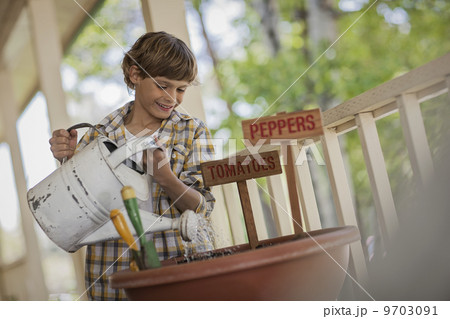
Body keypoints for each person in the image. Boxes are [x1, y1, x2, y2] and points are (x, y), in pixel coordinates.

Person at [49, 31, 216, 300]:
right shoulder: (98, 135)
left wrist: (166, 179)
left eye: (181, 89)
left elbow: (202, 208)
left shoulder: (192, 131)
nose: (172, 98)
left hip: (182, 270)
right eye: (163, 85)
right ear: (135, 74)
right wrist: (66, 160)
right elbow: (80, 205)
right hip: (114, 275)